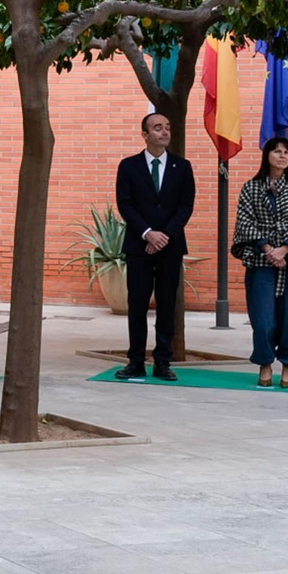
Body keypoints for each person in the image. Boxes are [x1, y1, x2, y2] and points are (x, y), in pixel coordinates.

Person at [113, 113, 195, 382]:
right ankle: (135, 360)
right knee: (137, 304)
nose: (164, 132)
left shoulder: (182, 167)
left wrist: (163, 236)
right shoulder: (129, 166)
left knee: (167, 303)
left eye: (167, 127)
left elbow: (185, 206)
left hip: (170, 247)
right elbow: (125, 204)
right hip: (139, 246)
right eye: (158, 128)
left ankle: (163, 361)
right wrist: (148, 234)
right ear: (145, 135)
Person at [231, 137, 288, 389]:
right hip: (261, 261)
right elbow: (244, 222)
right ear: (267, 155)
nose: (282, 156)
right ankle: (265, 363)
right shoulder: (251, 187)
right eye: (276, 151)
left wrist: (285, 248)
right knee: (263, 317)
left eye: (286, 152)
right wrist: (269, 249)